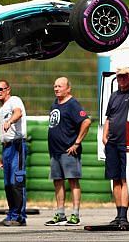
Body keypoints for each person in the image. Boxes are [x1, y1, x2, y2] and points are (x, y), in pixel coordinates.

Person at [45, 77, 91, 226]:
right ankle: (60, 214)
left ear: (68, 88)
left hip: (68, 151)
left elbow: (86, 121)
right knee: (58, 182)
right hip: (55, 151)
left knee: (73, 181)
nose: (56, 89)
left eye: (59, 86)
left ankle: (75, 214)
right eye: (55, 86)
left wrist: (77, 143)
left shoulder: (72, 104)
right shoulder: (55, 103)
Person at [103, 67, 129, 227]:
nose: (122, 80)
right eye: (120, 78)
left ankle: (124, 214)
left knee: (125, 179)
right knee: (115, 179)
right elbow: (109, 117)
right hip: (112, 143)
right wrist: (105, 135)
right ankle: (118, 214)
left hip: (126, 143)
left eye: (125, 77)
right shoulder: (114, 96)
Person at [0, 79, 28, 227]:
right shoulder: (1, 109)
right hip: (7, 147)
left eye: (1, 89)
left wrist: (10, 121)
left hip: (17, 145)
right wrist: (2, 154)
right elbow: (4, 134)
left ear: (8, 89)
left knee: (16, 181)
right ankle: (11, 213)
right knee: (8, 184)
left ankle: (19, 216)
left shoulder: (14, 100)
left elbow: (18, 113)